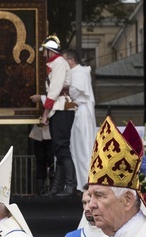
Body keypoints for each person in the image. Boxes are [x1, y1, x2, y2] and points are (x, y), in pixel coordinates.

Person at [30, 35, 76, 197]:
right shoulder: (56, 63)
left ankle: (70, 186)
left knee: (62, 148)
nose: (43, 55)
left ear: (50, 51)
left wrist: (45, 113)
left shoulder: (58, 63)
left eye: (45, 52)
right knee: (58, 149)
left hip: (62, 107)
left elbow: (54, 90)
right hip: (59, 107)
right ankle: (57, 187)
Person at [62, 49, 97, 192]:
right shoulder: (77, 72)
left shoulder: (78, 72)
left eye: (64, 60)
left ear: (70, 60)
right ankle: (81, 183)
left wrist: (63, 88)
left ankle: (86, 184)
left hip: (81, 112)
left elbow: (75, 91)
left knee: (83, 150)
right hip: (78, 111)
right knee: (77, 149)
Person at [28, 123, 54, 195]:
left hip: (51, 133)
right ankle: (40, 190)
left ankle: (53, 188)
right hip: (38, 133)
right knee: (40, 162)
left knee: (52, 162)